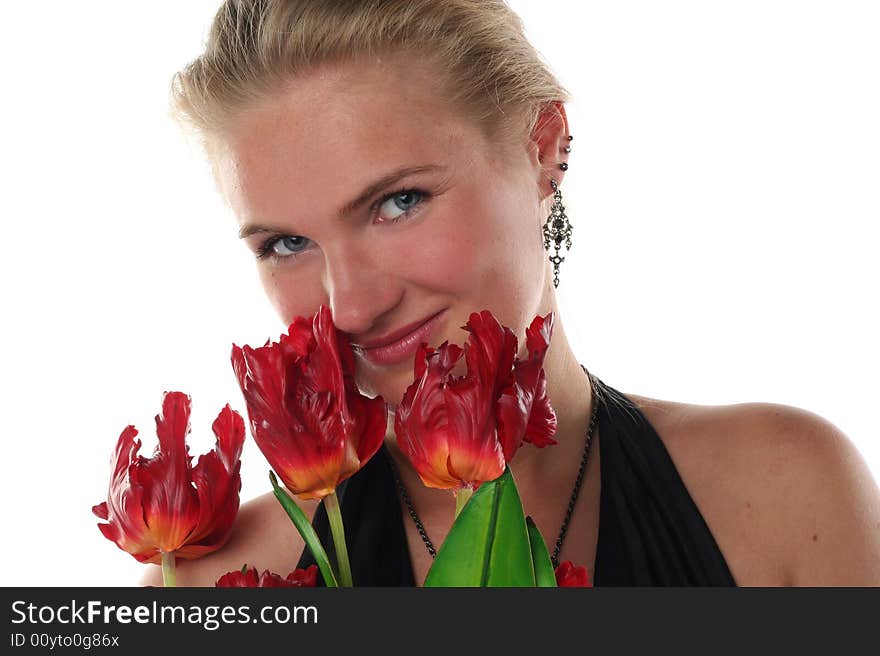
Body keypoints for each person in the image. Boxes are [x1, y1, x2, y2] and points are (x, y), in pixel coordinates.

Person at [142, 0, 880, 587]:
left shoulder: (789, 496)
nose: (352, 308)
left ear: (543, 148)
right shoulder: (219, 585)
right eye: (287, 244)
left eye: (399, 202)